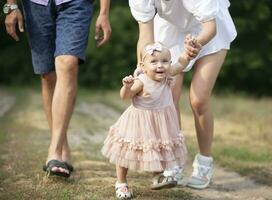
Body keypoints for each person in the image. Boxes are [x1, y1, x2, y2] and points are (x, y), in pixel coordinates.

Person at [128, 0, 237, 189]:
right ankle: (173, 162)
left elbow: (210, 28)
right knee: (168, 97)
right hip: (170, 31)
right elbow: (145, 35)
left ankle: (204, 163)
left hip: (208, 31)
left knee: (199, 99)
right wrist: (142, 67)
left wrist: (195, 45)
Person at [4, 0, 112, 177]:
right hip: (36, 5)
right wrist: (11, 5)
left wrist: (104, 11)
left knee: (67, 64)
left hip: (76, 3)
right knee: (48, 76)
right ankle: (62, 147)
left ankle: (54, 152)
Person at [101, 41, 195, 199]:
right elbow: (125, 97)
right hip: (139, 122)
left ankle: (157, 176)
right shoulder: (141, 81)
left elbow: (180, 64)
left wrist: (187, 53)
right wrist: (127, 86)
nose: (160, 65)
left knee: (158, 148)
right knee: (127, 152)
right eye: (154, 62)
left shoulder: (168, 75)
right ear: (143, 66)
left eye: (165, 61)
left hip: (160, 122)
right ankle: (121, 183)